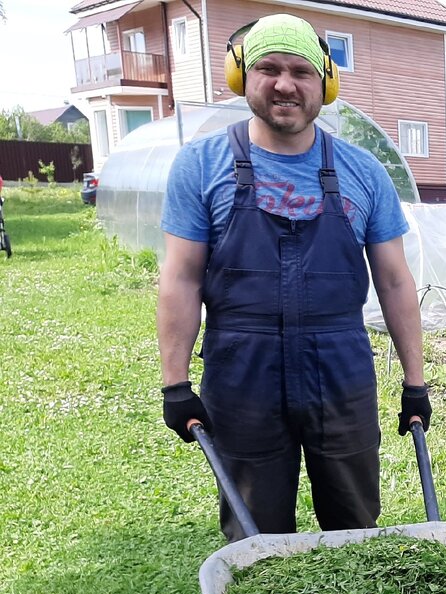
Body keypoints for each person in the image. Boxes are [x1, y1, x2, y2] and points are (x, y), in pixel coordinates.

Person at [156, 13, 429, 542]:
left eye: (301, 71)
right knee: (255, 530)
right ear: (243, 78)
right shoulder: (201, 165)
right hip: (242, 370)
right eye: (269, 68)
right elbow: (180, 279)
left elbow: (395, 281)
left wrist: (415, 383)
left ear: (324, 83)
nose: (285, 84)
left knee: (355, 520)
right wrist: (175, 384)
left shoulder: (363, 171)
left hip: (340, 367)